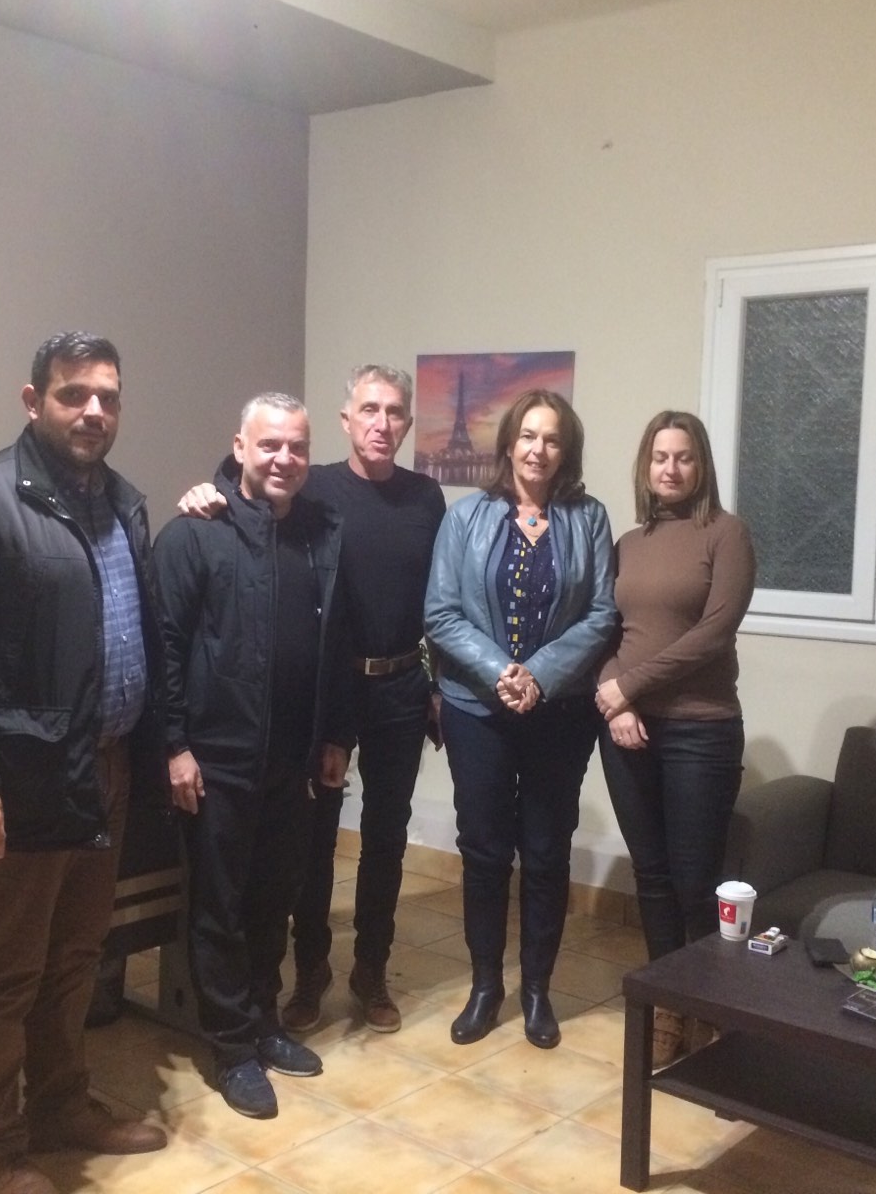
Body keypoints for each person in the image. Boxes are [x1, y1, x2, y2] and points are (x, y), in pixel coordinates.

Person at [0, 332, 168, 1194]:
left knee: (76, 955)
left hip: (105, 769)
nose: (94, 411)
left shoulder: (123, 503)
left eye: (108, 397)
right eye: (73, 394)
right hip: (21, 782)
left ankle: (61, 1105)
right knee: (6, 970)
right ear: (33, 401)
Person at [175, 365, 445, 1035]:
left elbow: (443, 601)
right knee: (313, 844)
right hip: (328, 689)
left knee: (385, 838)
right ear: (347, 419)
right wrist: (206, 489)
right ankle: (310, 969)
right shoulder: (315, 484)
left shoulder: (426, 498)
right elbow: (253, 480)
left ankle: (372, 968)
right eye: (369, 409)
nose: (382, 422)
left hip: (400, 688)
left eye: (395, 412)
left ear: (408, 424)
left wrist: (437, 684)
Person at [154, 393, 353, 1120]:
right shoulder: (194, 534)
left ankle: (265, 1023)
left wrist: (333, 738)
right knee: (221, 909)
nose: (284, 459)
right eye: (269, 445)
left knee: (275, 899)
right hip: (216, 760)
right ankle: (232, 1047)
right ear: (239, 447)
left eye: (297, 447)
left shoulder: (322, 535)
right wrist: (174, 746)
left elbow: (336, 644)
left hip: (293, 763)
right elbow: (163, 648)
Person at [423, 389, 617, 1050]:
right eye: (528, 436)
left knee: (546, 850)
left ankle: (537, 990)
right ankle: (486, 987)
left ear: (567, 450)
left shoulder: (589, 518)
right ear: (508, 444)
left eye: (552, 439)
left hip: (559, 714)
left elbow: (601, 614)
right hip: (477, 710)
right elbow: (441, 612)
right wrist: (499, 672)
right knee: (483, 849)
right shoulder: (465, 517)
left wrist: (539, 675)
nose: (538, 449)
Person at [593, 409, 755, 1068]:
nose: (671, 468)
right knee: (652, 877)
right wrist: (614, 698)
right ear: (646, 465)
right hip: (627, 728)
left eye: (683, 456)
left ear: (701, 464)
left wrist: (628, 687)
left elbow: (713, 633)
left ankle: (708, 1004)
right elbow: (606, 630)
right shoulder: (629, 542)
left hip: (700, 729)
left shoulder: (727, 534)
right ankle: (667, 1005)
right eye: (660, 457)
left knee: (694, 881)